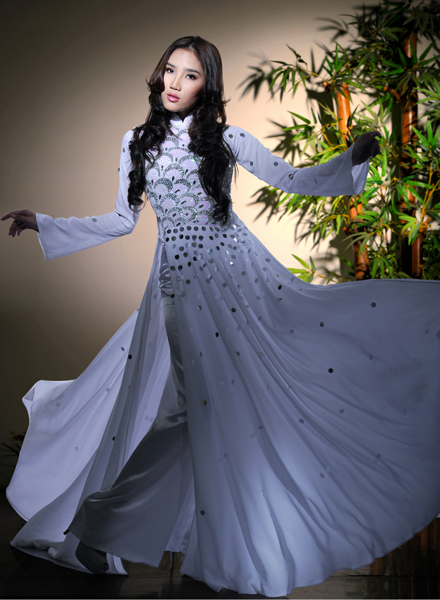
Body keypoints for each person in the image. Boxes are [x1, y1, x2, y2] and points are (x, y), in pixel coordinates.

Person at [2, 35, 440, 598]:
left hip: (241, 279)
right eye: (169, 70)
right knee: (193, 409)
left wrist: (350, 161)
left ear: (207, 85)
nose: (174, 83)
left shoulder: (227, 139)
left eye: (189, 75)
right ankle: (103, 529)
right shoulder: (136, 142)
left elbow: (293, 180)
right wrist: (47, 223)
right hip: (179, 285)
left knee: (214, 409)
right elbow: (121, 220)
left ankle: (152, 535)